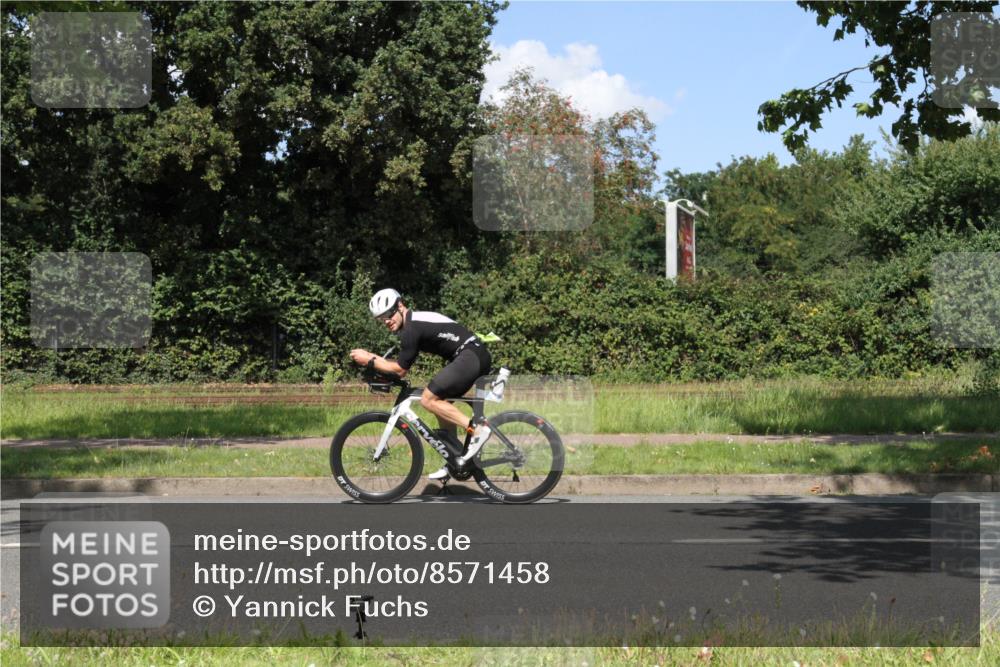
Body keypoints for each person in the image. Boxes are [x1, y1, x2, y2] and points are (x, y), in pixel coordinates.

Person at [350, 288, 492, 481]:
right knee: (441, 405)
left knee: (428, 399)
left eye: (388, 314)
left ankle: (478, 431)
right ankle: (454, 459)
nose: (386, 321)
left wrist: (369, 358)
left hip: (470, 355)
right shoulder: (413, 323)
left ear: (400, 306)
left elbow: (400, 369)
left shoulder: (412, 328)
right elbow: (401, 365)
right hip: (472, 355)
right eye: (380, 318)